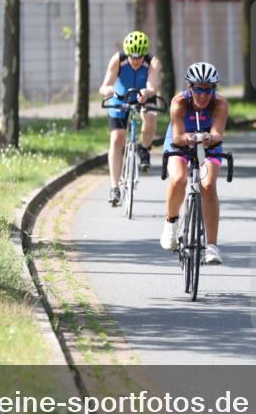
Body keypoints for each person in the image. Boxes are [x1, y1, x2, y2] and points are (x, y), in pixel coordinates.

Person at [159, 62, 230, 265]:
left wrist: (207, 138)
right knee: (179, 178)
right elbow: (178, 137)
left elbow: (218, 134)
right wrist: (190, 138)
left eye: (209, 90)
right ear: (190, 87)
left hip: (209, 144)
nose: (203, 95)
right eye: (198, 89)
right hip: (180, 140)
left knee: (207, 185)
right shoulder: (179, 102)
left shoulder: (220, 104)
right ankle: (171, 224)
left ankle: (212, 247)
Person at [98, 30, 161, 206]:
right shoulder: (118, 60)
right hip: (120, 98)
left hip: (143, 95)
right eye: (132, 57)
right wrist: (108, 90)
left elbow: (152, 85)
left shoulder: (152, 63)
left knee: (150, 116)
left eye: (139, 58)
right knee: (117, 138)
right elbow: (105, 85)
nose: (135, 61)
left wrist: (147, 92)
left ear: (144, 54)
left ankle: (144, 149)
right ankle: (114, 187)